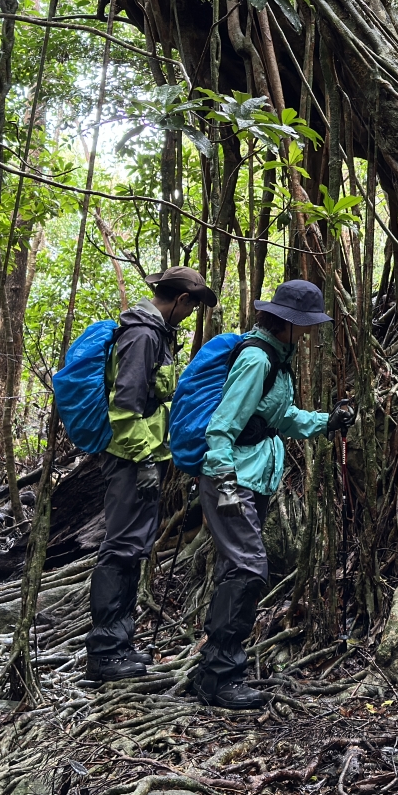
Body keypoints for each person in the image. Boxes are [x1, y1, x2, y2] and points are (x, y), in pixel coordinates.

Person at [192, 278, 356, 709]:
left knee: (236, 569)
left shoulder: (277, 360)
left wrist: (328, 422)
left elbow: (280, 419)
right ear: (285, 322)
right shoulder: (257, 360)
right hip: (232, 480)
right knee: (249, 569)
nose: (307, 333)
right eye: (304, 325)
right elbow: (222, 428)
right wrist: (226, 487)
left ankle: (213, 671)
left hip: (253, 479)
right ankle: (220, 677)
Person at [86, 265, 216, 683]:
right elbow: (124, 407)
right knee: (121, 550)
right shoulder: (143, 335)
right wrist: (144, 460)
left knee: (132, 550)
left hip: (142, 458)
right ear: (181, 300)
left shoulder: (155, 333)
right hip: (130, 460)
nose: (191, 315)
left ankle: (119, 645)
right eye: (193, 307)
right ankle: (105, 652)